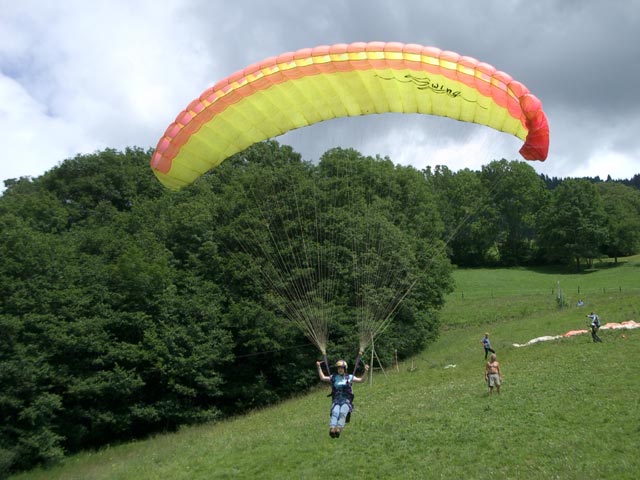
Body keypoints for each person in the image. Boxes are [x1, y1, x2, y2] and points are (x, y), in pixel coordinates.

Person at [316, 359, 369, 438]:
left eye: (342, 368)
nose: (340, 369)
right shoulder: (334, 377)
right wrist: (319, 367)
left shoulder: (349, 377)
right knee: (335, 412)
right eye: (339, 368)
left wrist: (366, 371)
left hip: (346, 401)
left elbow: (361, 380)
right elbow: (323, 378)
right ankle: (332, 428)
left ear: (345, 369)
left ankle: (339, 428)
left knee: (342, 412)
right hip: (336, 400)